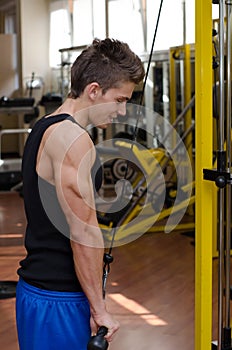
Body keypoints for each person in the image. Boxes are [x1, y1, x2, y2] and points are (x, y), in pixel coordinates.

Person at [15, 38, 145, 350]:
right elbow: (82, 229)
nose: (123, 110)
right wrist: (99, 308)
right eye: (119, 99)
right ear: (94, 90)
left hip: (40, 292)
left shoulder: (44, 126)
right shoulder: (73, 139)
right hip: (58, 299)